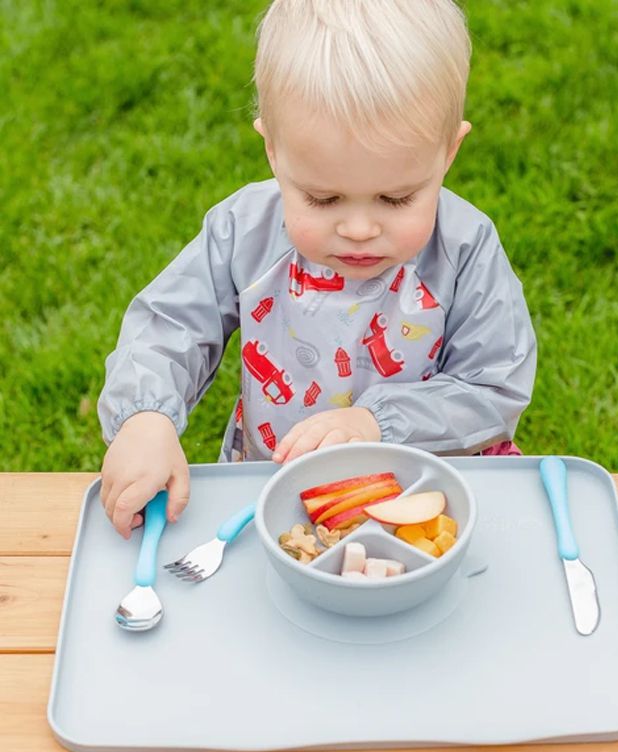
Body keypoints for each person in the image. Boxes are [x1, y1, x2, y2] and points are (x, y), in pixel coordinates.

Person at [98, 0, 537, 538]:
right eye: (323, 198)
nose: (358, 228)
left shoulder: (463, 248)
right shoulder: (244, 233)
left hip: (424, 496)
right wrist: (146, 416)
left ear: (448, 153)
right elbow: (169, 325)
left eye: (396, 198)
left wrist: (378, 424)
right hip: (277, 490)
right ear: (273, 152)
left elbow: (493, 386)